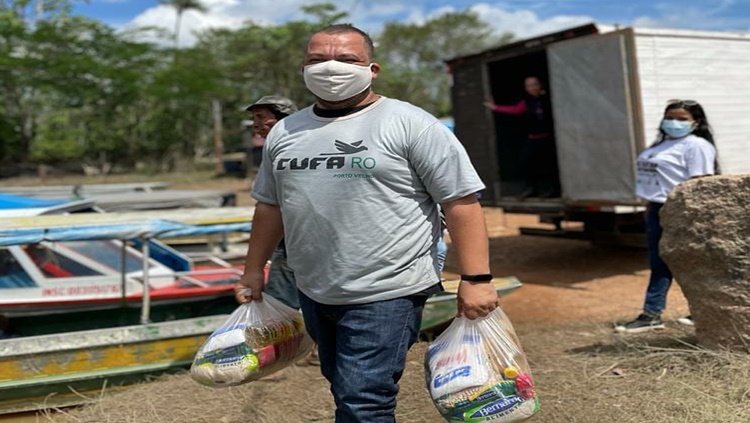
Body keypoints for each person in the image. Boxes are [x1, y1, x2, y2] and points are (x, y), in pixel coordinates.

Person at [234, 24, 498, 422]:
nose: (331, 69)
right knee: (343, 385)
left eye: (346, 59)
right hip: (316, 287)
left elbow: (460, 202)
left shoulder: (411, 124)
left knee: (363, 399)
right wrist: (254, 269)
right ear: (304, 69)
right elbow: (270, 206)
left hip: (388, 289)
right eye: (317, 60)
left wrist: (477, 279)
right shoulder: (286, 131)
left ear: (372, 69)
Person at [615, 99, 717, 334]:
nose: (674, 123)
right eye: (670, 117)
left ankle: (696, 311)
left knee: (690, 262)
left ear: (696, 122)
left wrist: (690, 216)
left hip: (678, 210)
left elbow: (699, 184)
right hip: (656, 209)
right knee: (659, 262)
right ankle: (653, 314)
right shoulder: (661, 145)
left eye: (682, 119)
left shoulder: (696, 146)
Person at [483, 76, 560, 198]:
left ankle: (552, 189)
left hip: (547, 139)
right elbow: (515, 110)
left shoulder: (548, 99)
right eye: (529, 86)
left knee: (549, 165)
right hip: (533, 138)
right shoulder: (526, 102)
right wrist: (495, 107)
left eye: (534, 84)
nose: (532, 88)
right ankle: (532, 189)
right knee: (526, 163)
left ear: (540, 85)